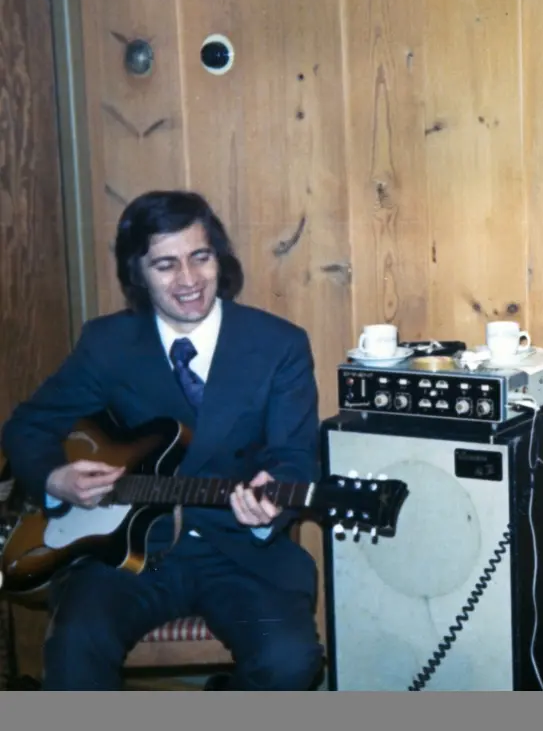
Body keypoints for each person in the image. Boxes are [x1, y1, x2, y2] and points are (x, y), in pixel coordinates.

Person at [0, 190, 324, 691]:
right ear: (137, 273)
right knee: (73, 652)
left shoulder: (278, 344)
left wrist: (273, 497)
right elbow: (28, 426)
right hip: (124, 552)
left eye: (201, 257)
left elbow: (294, 457)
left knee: (290, 662)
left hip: (239, 552)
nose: (189, 280)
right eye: (165, 265)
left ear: (219, 257)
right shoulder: (106, 344)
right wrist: (55, 479)